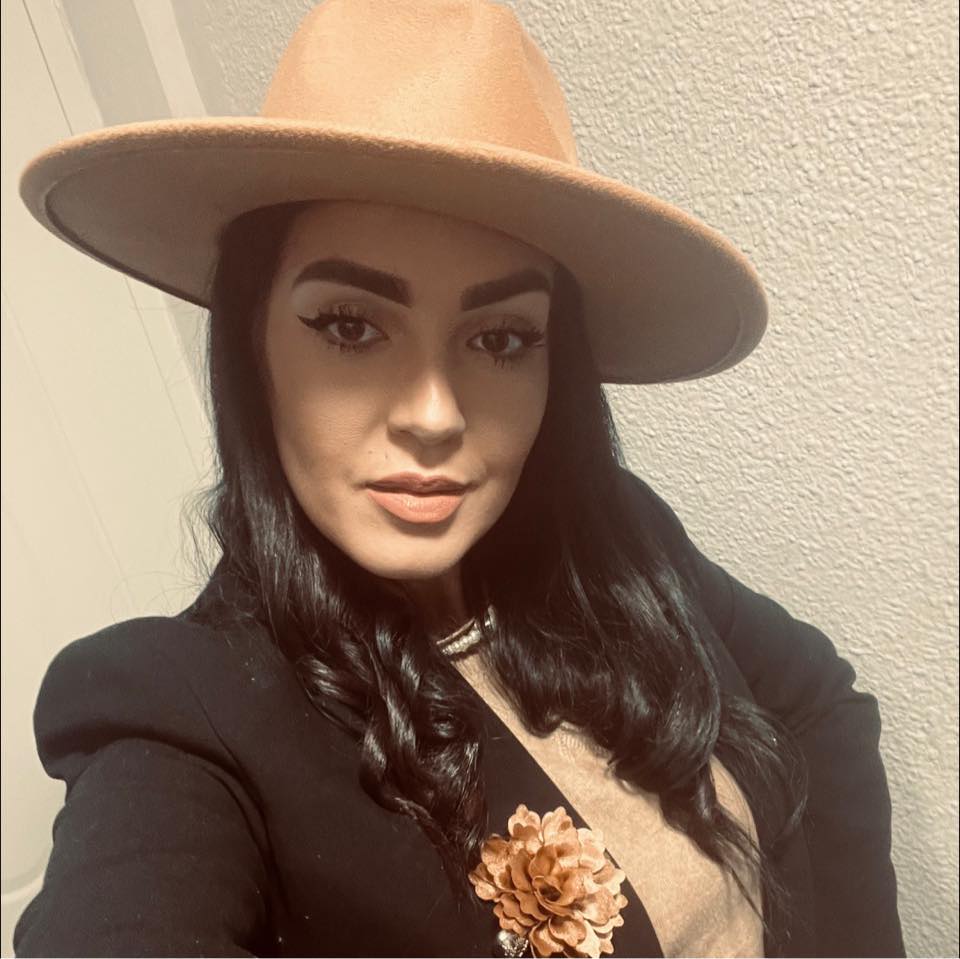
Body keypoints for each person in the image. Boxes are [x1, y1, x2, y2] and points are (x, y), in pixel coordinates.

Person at [12, 1, 903, 957]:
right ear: (251, 344)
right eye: (350, 325)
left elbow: (821, 701)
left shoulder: (614, 544)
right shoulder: (182, 716)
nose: (434, 414)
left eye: (502, 338)